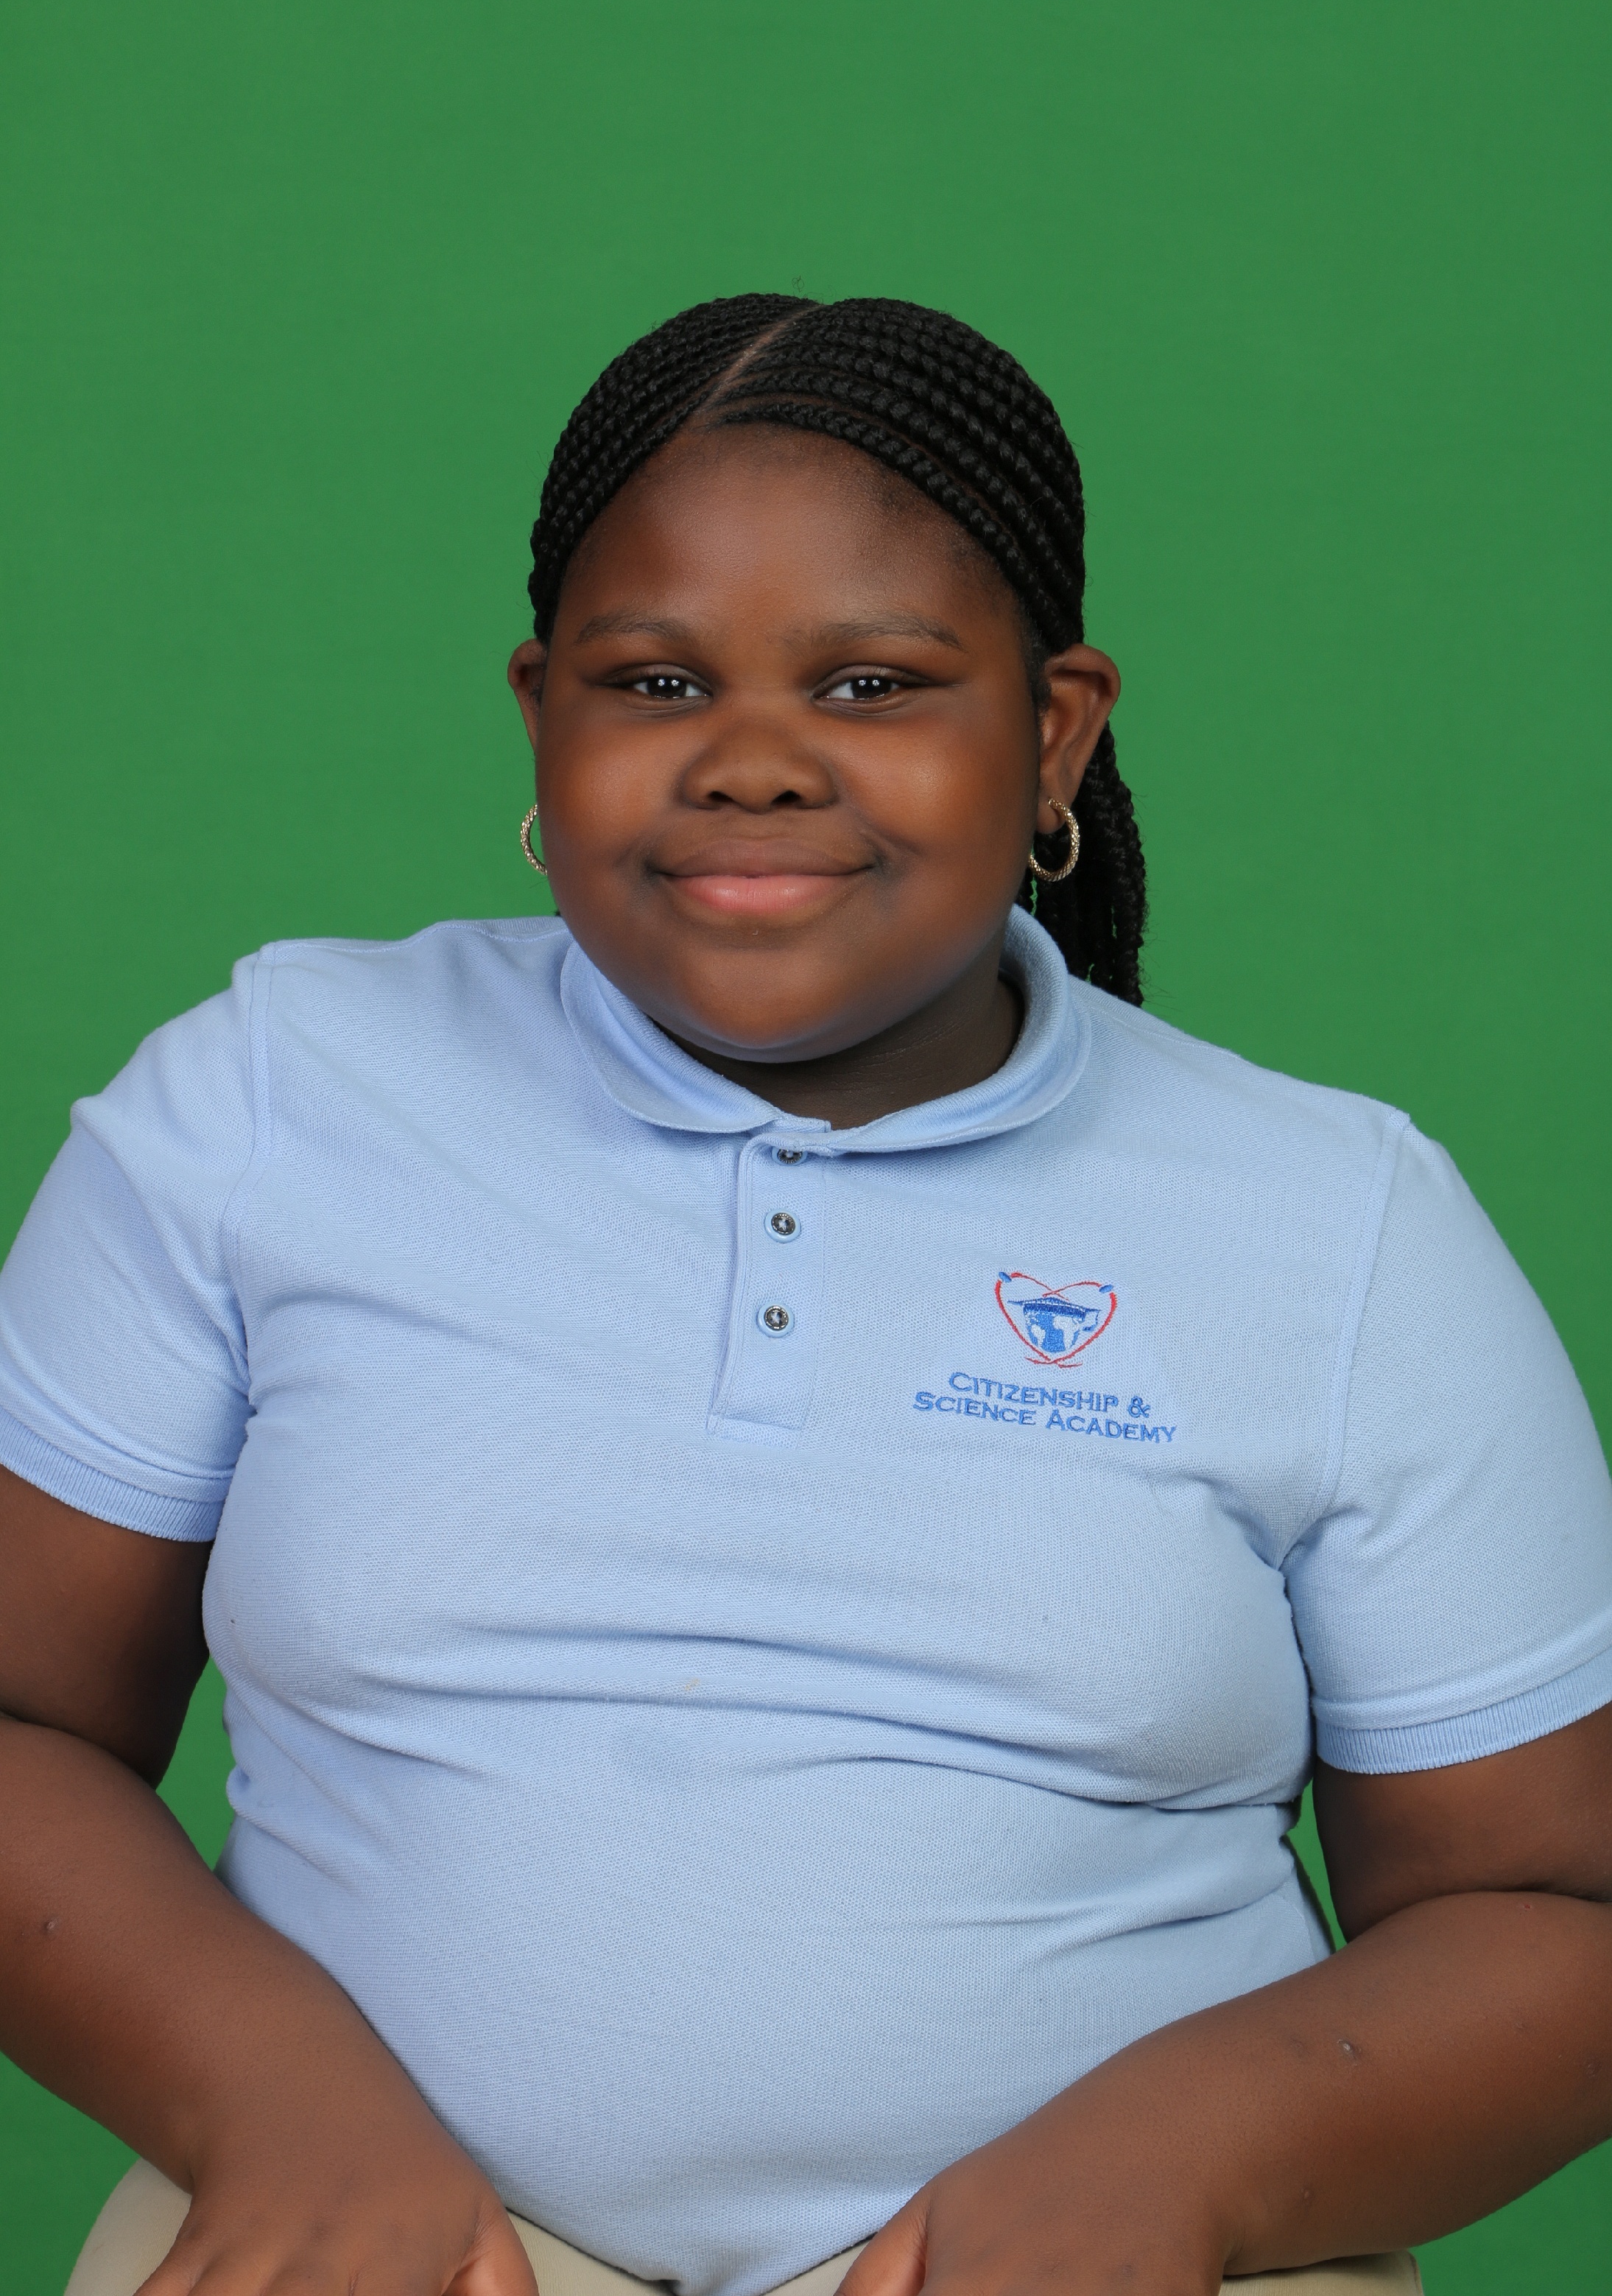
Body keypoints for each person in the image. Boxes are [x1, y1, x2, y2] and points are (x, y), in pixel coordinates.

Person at [1, 295, 1609, 2296]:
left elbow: (1548, 1907)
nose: (753, 762)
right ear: (543, 715)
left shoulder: (1343, 1224)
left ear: (1054, 732)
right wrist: (271, 2113)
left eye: (871, 683)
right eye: (655, 680)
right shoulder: (272, 1099)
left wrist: (1188, 2172)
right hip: (396, 2235)